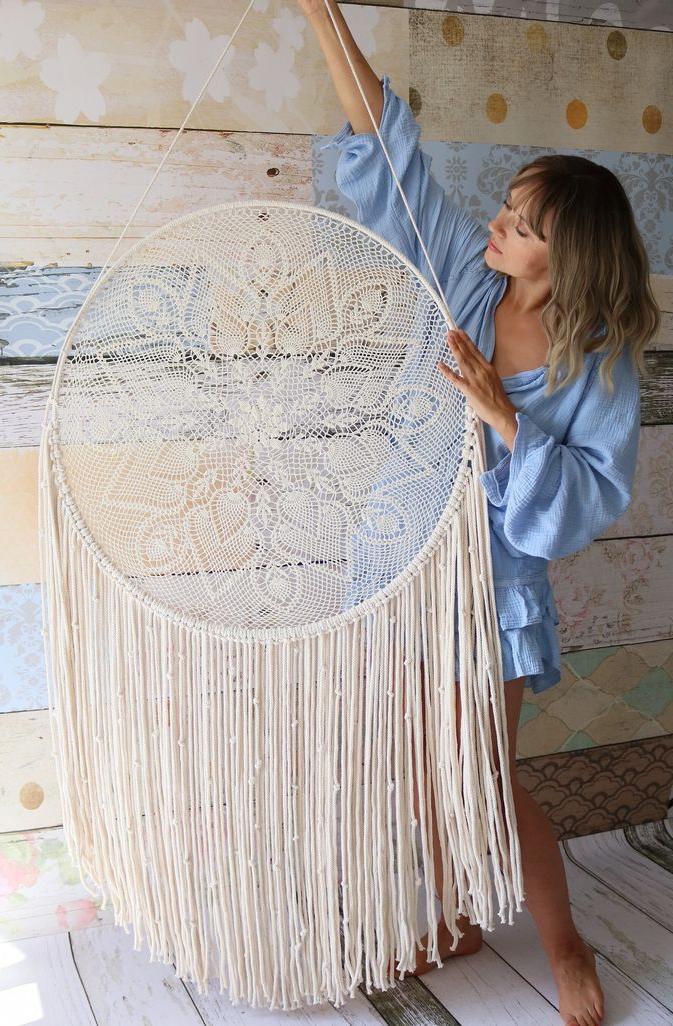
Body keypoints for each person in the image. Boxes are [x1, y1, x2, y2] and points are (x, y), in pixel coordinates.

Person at [299, 4, 660, 1026]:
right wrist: (322, 17)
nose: (494, 225)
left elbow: (588, 495)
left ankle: (565, 946)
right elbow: (388, 149)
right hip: (404, 561)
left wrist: (505, 419)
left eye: (518, 222)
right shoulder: (461, 281)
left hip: (488, 589)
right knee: (423, 773)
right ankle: (459, 917)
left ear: (562, 255)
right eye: (501, 210)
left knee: (488, 783)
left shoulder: (595, 366)